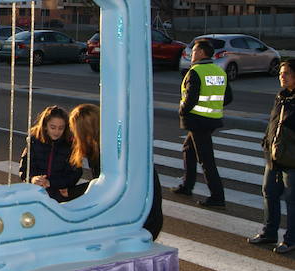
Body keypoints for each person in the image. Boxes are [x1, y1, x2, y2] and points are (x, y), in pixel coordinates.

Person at [67, 104, 163, 240]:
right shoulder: (113, 141)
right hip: (146, 214)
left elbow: (107, 187)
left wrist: (72, 193)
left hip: (138, 221)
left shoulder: (105, 151)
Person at [173, 39, 233, 207]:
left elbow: (190, 98)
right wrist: (213, 105)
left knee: (206, 160)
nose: (191, 54)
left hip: (197, 120)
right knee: (188, 149)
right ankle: (187, 186)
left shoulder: (196, 72)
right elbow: (228, 97)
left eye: (193, 51)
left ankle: (217, 197)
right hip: (211, 119)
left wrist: (182, 111)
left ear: (200, 53)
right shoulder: (219, 71)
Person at [247, 60, 295, 254]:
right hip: (274, 156)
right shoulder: (281, 97)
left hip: (292, 159)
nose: (282, 76)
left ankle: (291, 240)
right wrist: (266, 143)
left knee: (292, 200)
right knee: (269, 193)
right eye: (281, 73)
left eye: (286, 73)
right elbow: (273, 124)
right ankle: (269, 233)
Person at [19, 105, 81, 202]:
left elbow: (75, 174)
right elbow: (24, 168)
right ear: (45, 126)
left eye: (61, 128)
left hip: (61, 196)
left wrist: (51, 182)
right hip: (36, 194)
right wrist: (32, 179)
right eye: (53, 127)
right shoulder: (34, 141)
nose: (56, 132)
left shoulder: (70, 144)